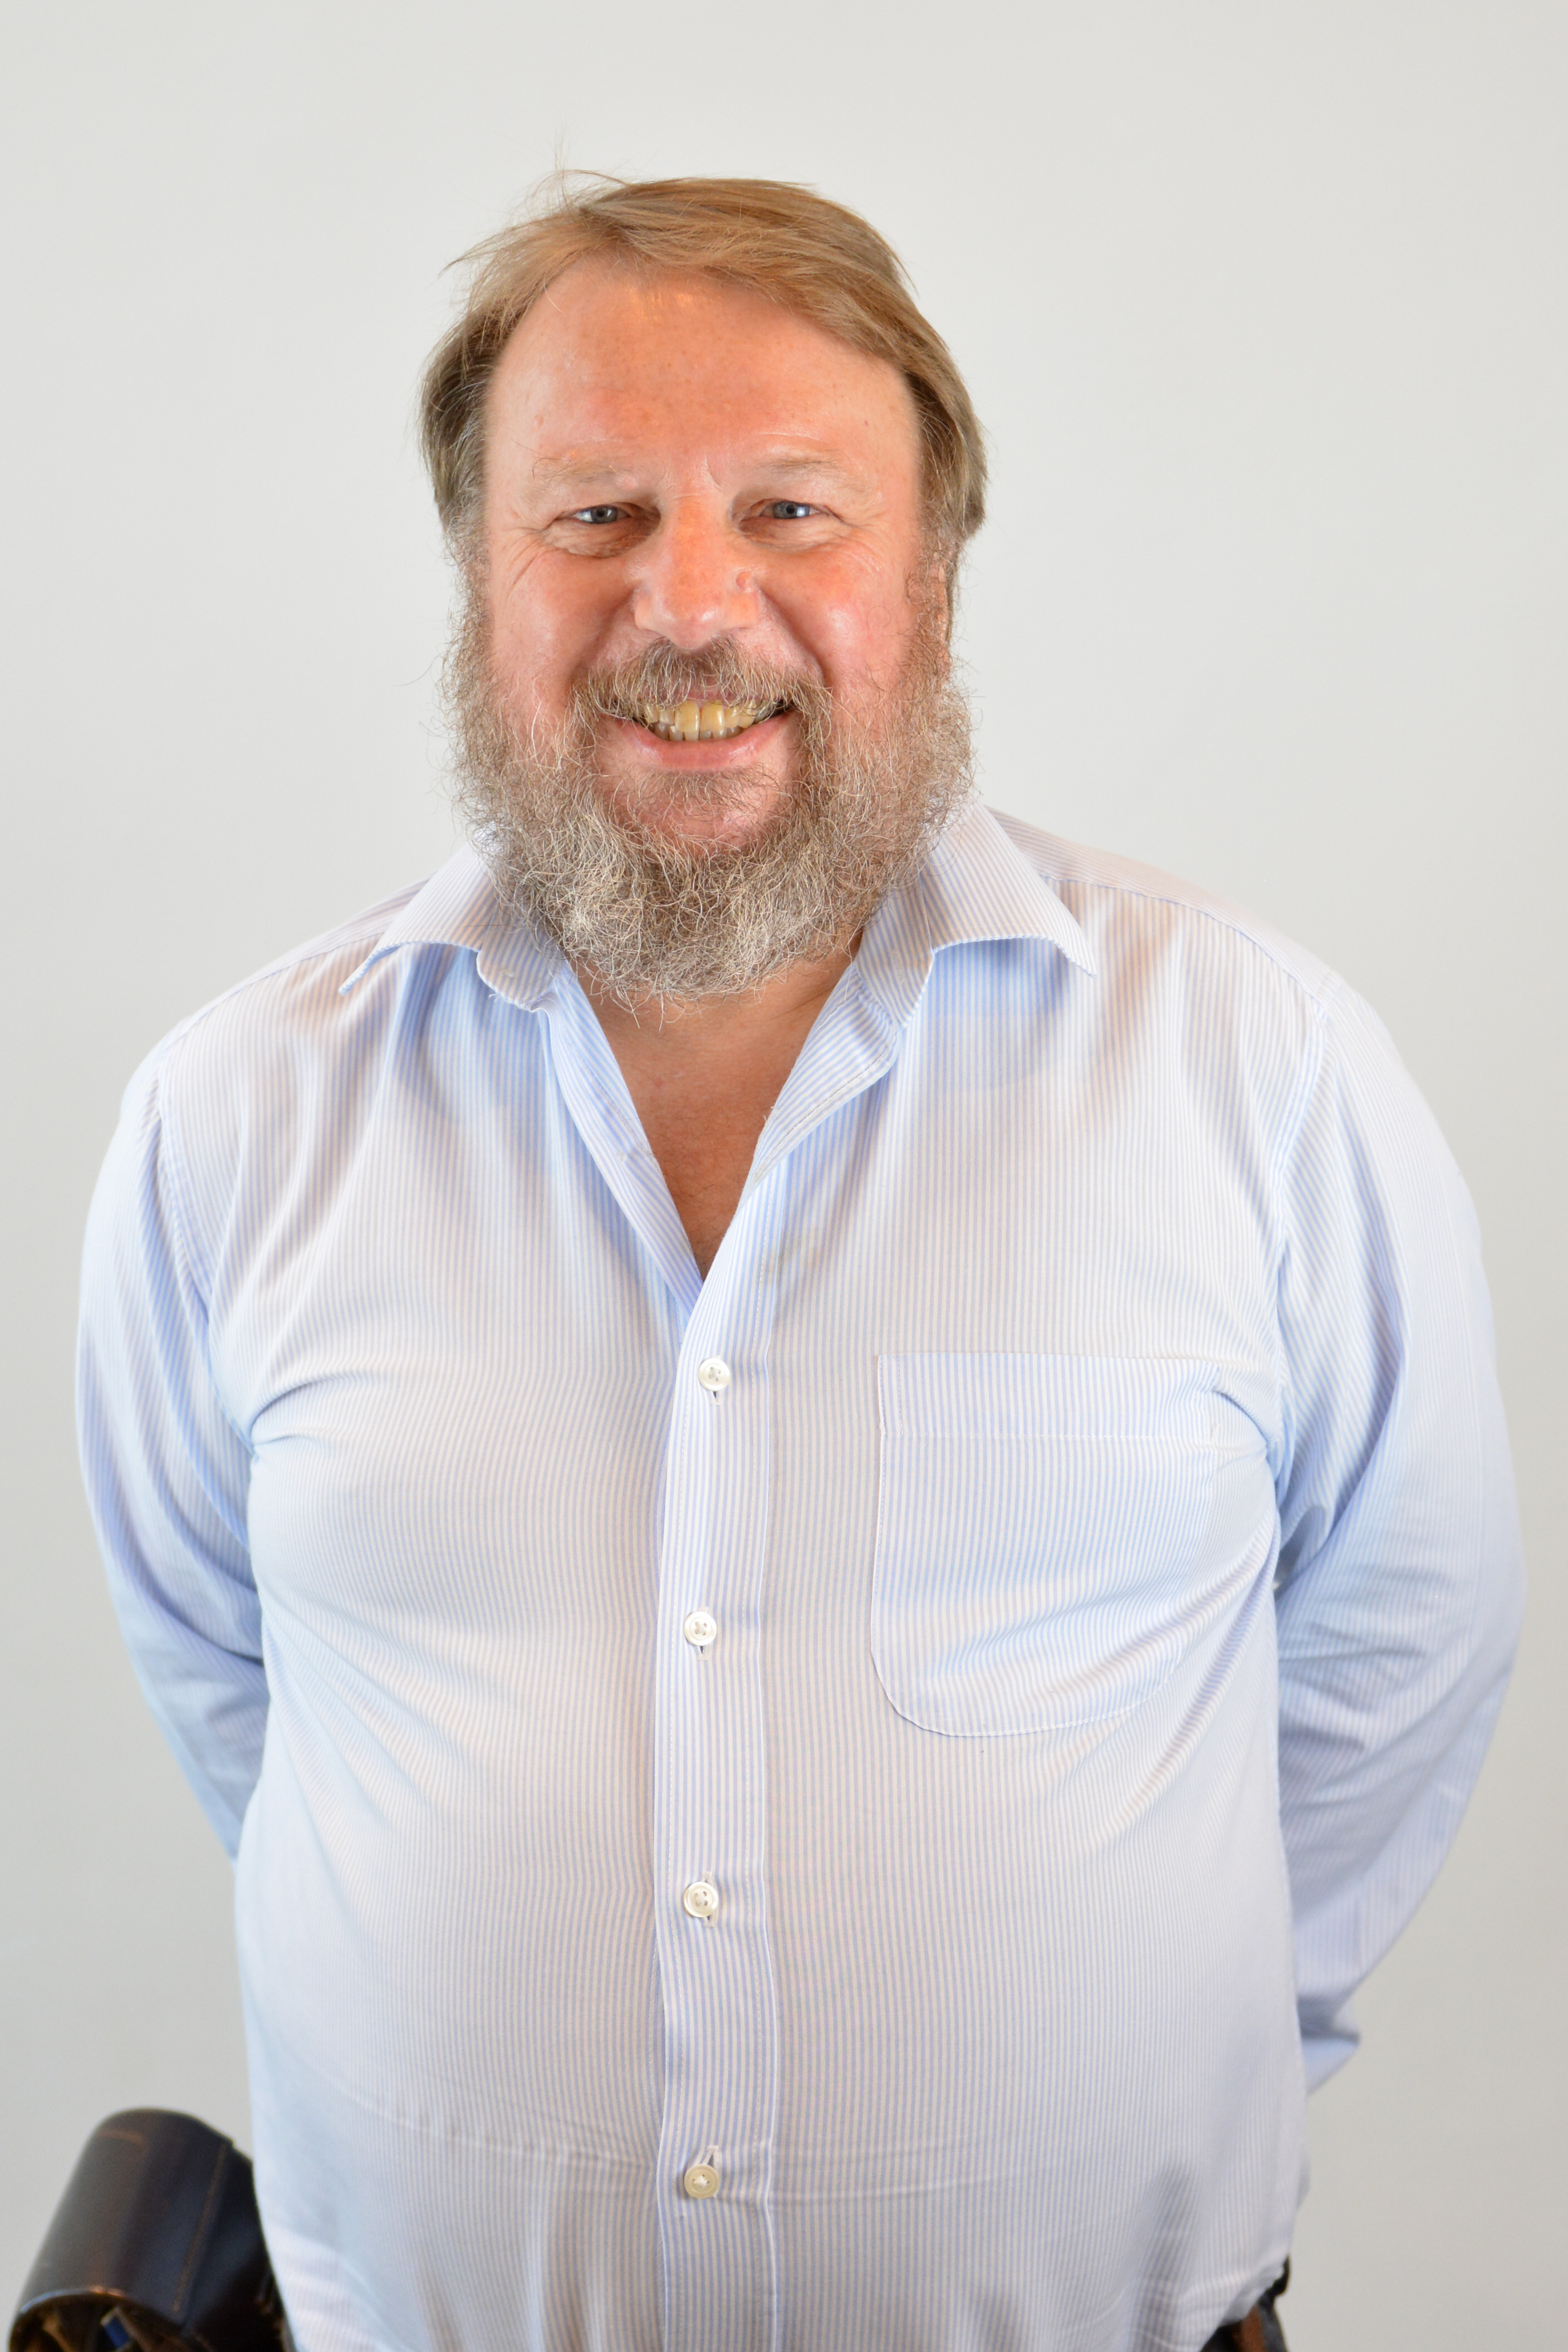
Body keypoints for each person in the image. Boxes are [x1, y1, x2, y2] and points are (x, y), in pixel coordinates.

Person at [76, 176, 1523, 2352]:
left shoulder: (1260, 1071)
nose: (688, 603)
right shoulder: (236, 1116)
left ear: (930, 577)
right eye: (593, 516)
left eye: (788, 511)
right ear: (476, 575)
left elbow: (1397, 1652)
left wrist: (1161, 2040)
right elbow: (240, 1683)